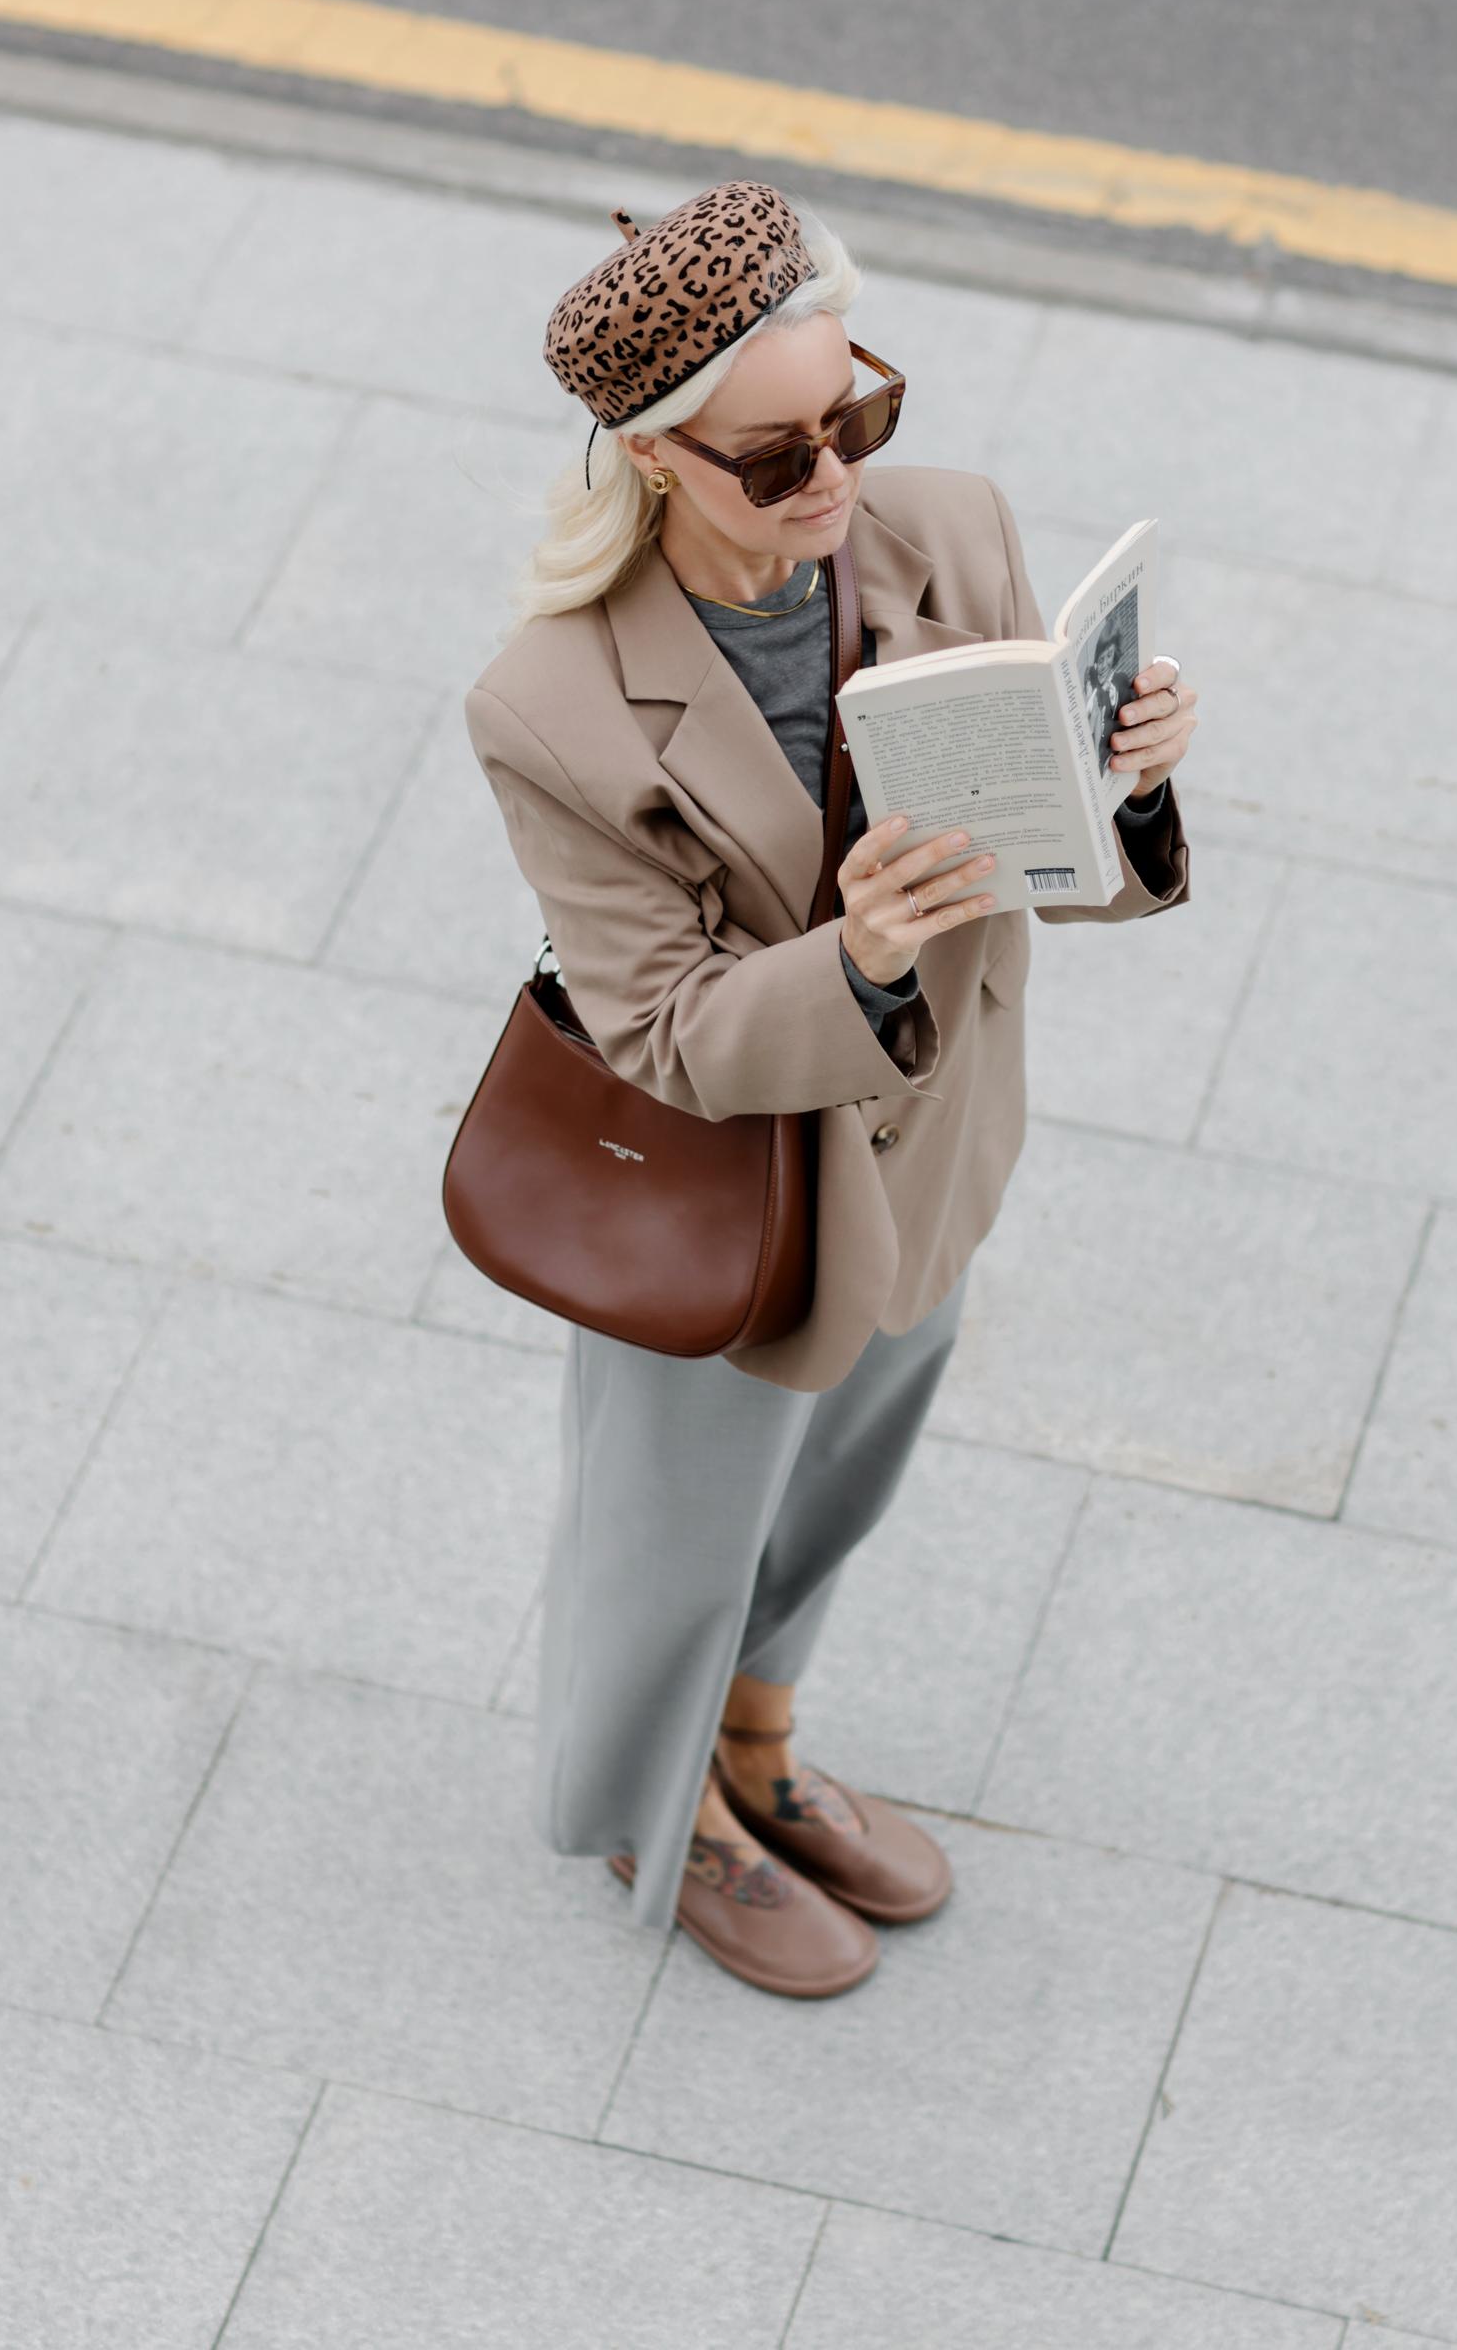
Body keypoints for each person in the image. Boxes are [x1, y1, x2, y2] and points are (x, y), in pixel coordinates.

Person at [464, 178, 1198, 1998]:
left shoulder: (949, 530)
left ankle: (758, 1745)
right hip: (730, 1209)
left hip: (933, 1158)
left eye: (854, 415)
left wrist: (1126, 786)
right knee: (670, 1543)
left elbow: (1055, 868)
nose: (832, 481)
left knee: (837, 1489)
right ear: (653, 460)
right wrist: (857, 957)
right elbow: (664, 1034)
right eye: (773, 457)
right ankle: (656, 1815)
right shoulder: (554, 703)